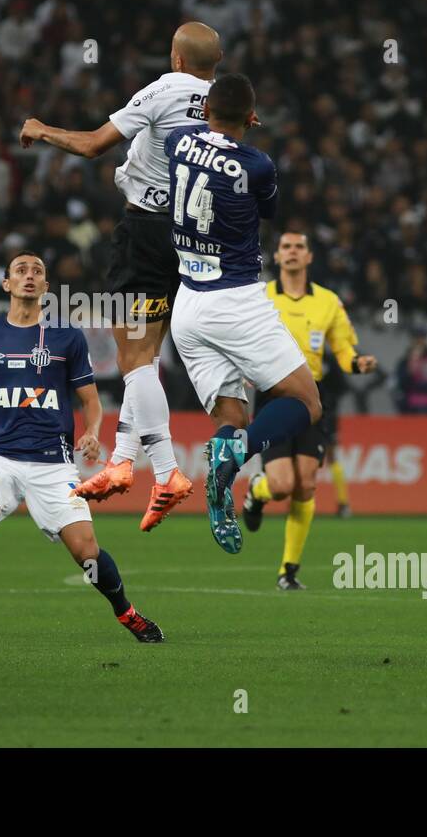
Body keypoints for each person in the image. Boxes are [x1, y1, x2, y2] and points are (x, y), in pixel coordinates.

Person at [20, 22, 225, 531]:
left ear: (176, 57)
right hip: (199, 238)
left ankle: (169, 471)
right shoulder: (227, 102)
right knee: (147, 358)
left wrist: (42, 130)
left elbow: (93, 145)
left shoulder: (163, 88)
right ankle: (121, 459)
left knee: (134, 357)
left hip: (147, 233)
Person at [0, 250, 162, 646]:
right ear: (6, 284)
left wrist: (91, 432)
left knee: (86, 552)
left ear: (46, 286)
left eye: (37, 271)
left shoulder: (66, 337)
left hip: (53, 464)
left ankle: (127, 613)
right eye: (20, 270)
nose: (29, 276)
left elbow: (90, 400)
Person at [164, 74, 322, 553]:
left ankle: (223, 481)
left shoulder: (177, 140)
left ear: (206, 108)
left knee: (231, 415)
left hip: (186, 306)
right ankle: (235, 455)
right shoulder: (258, 164)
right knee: (306, 403)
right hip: (235, 300)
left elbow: (196, 133)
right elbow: (270, 210)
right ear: (251, 118)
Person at [240, 232, 378, 589]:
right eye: (285, 246)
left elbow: (344, 348)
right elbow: (237, 337)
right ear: (277, 255)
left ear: (309, 256)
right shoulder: (260, 297)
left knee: (307, 486)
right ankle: (258, 491)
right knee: (283, 486)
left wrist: (357, 363)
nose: (292, 252)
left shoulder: (328, 302)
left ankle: (288, 570)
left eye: (299, 247)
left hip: (313, 399)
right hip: (273, 395)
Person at [395, 327, 427, 414]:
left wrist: (417, 386)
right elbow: (401, 383)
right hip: (411, 405)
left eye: (421, 339)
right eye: (416, 339)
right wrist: (410, 372)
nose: (419, 342)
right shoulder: (405, 361)